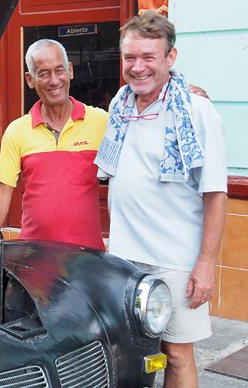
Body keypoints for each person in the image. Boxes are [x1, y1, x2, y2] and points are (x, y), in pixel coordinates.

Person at [95, 11, 227, 388]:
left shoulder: (198, 111)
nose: (138, 68)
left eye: (149, 57)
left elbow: (216, 193)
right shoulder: (118, 108)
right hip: (124, 258)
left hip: (175, 261)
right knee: (130, 352)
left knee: (177, 354)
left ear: (171, 58)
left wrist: (205, 263)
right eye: (130, 58)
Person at [0, 39, 108, 250]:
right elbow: (2, 191)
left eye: (59, 70)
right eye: (43, 73)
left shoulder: (101, 122)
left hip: (88, 259)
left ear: (70, 70)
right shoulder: (18, 130)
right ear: (30, 79)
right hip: (33, 256)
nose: (54, 80)